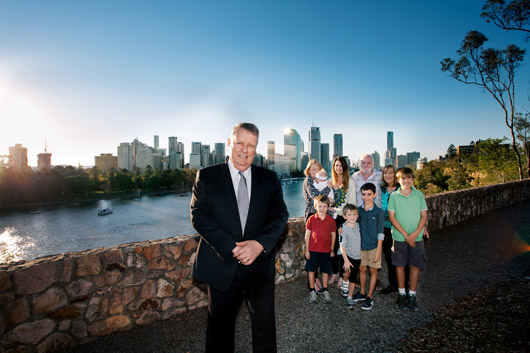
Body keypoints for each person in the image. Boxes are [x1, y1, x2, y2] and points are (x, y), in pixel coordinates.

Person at [190, 122, 289, 353]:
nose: (245, 150)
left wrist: (259, 245)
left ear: (256, 149)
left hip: (259, 267)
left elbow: (280, 215)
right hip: (222, 264)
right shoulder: (206, 176)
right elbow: (199, 216)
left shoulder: (269, 179)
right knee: (219, 331)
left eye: (251, 146)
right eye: (240, 143)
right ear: (229, 144)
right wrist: (234, 249)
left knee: (265, 329)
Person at [388, 167, 428, 312]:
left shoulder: (419, 195)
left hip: (416, 238)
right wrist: (406, 235)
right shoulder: (394, 196)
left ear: (412, 179)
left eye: (409, 177)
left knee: (414, 266)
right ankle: (402, 293)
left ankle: (412, 294)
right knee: (399, 266)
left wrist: (416, 233)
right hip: (399, 237)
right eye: (403, 178)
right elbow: (392, 217)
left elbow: (423, 215)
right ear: (398, 180)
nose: (406, 180)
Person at [350, 183, 384, 310]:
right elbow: (353, 226)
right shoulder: (358, 211)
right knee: (362, 270)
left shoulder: (379, 212)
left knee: (373, 271)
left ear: (374, 195)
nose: (366, 197)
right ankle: (363, 293)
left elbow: (381, 233)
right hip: (361, 246)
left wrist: (378, 251)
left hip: (374, 247)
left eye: (369, 194)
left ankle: (370, 296)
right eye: (364, 194)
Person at [329, 156, 357, 285]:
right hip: (330, 219)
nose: (338, 168)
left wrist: (337, 211)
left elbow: (352, 204)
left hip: (343, 218)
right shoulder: (330, 182)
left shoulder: (350, 182)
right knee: (332, 249)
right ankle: (334, 272)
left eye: (340, 165)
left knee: (343, 248)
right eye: (336, 165)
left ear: (345, 167)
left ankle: (342, 275)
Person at [304, 195, 336, 304]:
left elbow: (333, 236)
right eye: (319, 206)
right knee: (311, 269)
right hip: (313, 250)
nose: (322, 209)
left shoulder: (331, 220)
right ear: (315, 207)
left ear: (328, 207)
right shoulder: (311, 219)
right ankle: (312, 290)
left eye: (324, 206)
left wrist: (331, 249)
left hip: (326, 251)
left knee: (325, 270)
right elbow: (307, 236)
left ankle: (325, 290)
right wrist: (307, 250)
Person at [380, 165, 401, 294]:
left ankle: (405, 285)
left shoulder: (401, 189)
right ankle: (393, 283)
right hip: (385, 228)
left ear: (395, 175)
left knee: (402, 257)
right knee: (389, 257)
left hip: (399, 228)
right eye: (385, 173)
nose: (388, 176)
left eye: (391, 173)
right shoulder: (381, 190)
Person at [337, 204, 362, 308]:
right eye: (349, 214)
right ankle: (345, 283)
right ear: (344, 216)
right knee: (346, 272)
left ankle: (350, 297)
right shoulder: (343, 230)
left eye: (354, 214)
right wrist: (346, 260)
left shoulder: (358, 226)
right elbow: (342, 246)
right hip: (345, 255)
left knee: (353, 278)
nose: (352, 216)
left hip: (357, 256)